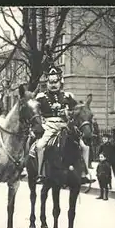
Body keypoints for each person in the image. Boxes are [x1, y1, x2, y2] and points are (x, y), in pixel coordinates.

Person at [34, 53, 94, 185]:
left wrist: (67, 112)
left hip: (65, 125)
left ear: (60, 81)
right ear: (47, 82)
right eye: (51, 82)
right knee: (40, 146)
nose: (53, 85)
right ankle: (40, 174)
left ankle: (85, 173)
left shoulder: (68, 96)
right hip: (49, 126)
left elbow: (76, 110)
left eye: (56, 82)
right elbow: (36, 112)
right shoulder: (40, 97)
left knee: (84, 146)